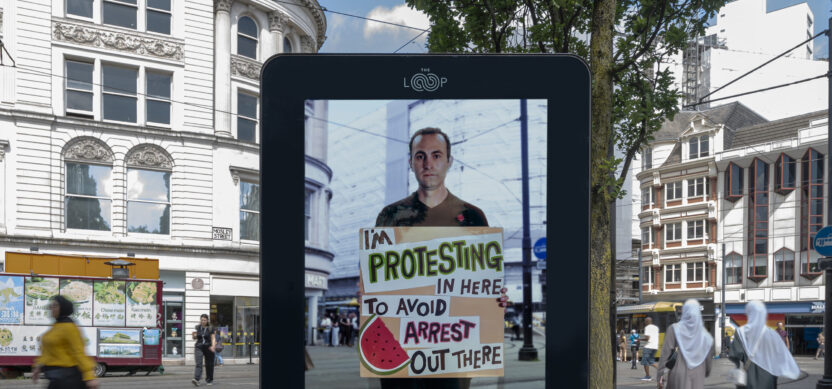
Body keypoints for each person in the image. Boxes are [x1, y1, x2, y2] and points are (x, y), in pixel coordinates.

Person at [371, 127, 505, 389]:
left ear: (449, 161)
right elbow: (375, 280)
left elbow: (483, 282)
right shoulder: (390, 216)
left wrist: (495, 297)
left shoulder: (473, 217)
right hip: (401, 346)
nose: (428, 163)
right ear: (411, 163)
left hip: (452, 348)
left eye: (436, 155)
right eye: (420, 156)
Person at [32, 295, 99, 389]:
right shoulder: (55, 327)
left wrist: (89, 376)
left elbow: (79, 352)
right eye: (50, 306)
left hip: (69, 379)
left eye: (54, 306)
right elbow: (47, 350)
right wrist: (38, 366)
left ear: (62, 308)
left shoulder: (70, 328)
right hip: (56, 379)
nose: (51, 308)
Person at [728, 301, 799, 389]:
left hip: (749, 376)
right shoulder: (772, 334)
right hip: (769, 377)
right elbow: (781, 356)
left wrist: (738, 365)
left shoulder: (741, 332)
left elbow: (735, 354)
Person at [656, 299, 714, 389]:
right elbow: (708, 360)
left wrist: (660, 376)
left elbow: (665, 354)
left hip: (678, 373)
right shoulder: (706, 337)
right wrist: (706, 371)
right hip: (698, 375)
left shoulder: (674, 329)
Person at [191, 313, 216, 386]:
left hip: (208, 347)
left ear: (207, 320)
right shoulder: (198, 327)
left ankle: (209, 379)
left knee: (209, 364)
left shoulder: (210, 328)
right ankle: (196, 379)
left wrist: (213, 346)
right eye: (202, 320)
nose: (203, 321)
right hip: (199, 347)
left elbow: (213, 338)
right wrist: (194, 336)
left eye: (204, 320)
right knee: (199, 363)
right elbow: (195, 337)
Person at [641, 316, 660, 381]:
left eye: (645, 321)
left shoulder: (647, 327)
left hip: (648, 346)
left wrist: (639, 339)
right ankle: (662, 370)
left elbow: (647, 338)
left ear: (647, 321)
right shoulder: (656, 327)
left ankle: (647, 376)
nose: (644, 322)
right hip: (655, 347)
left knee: (645, 361)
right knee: (651, 361)